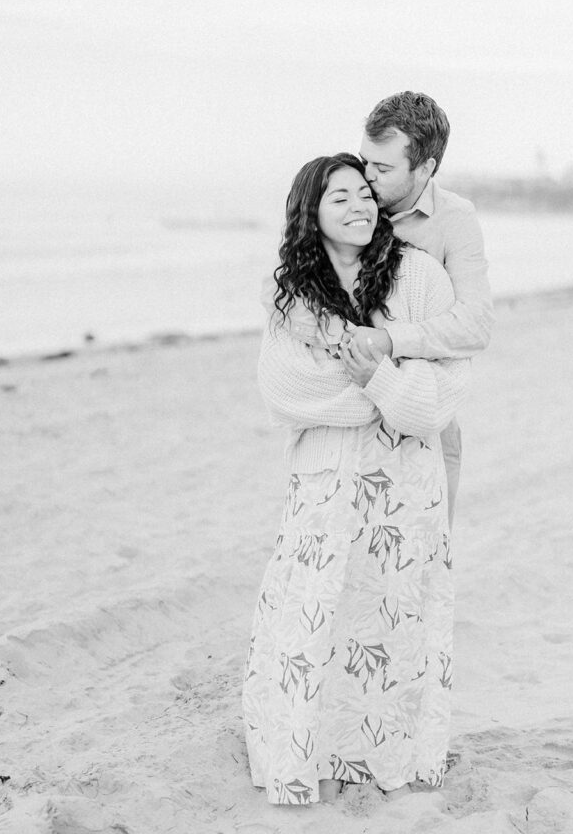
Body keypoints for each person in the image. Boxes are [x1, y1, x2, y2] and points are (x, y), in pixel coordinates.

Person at [243, 154, 470, 806]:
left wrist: (374, 376)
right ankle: (303, 751)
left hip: (404, 484)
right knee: (310, 613)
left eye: (365, 194)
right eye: (339, 197)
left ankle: (382, 755)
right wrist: (392, 394)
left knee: (391, 616)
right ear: (310, 212)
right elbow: (286, 391)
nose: (359, 206)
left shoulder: (422, 279)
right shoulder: (290, 293)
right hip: (325, 479)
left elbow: (441, 398)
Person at [277, 91, 493, 526]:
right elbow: (285, 287)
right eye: (364, 160)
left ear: (426, 167)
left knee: (421, 560)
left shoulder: (454, 220)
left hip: (421, 416)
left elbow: (475, 325)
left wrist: (389, 341)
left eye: (383, 168)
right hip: (343, 423)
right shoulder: (348, 203)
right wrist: (341, 338)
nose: (366, 177)